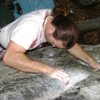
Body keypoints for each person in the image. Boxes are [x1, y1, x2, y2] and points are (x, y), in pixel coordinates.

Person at [0, 8, 100, 85]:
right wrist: (49, 70)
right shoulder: (29, 28)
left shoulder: (57, 20)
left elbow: (69, 44)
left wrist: (92, 62)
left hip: (13, 47)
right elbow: (9, 58)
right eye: (53, 43)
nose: (52, 45)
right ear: (51, 31)